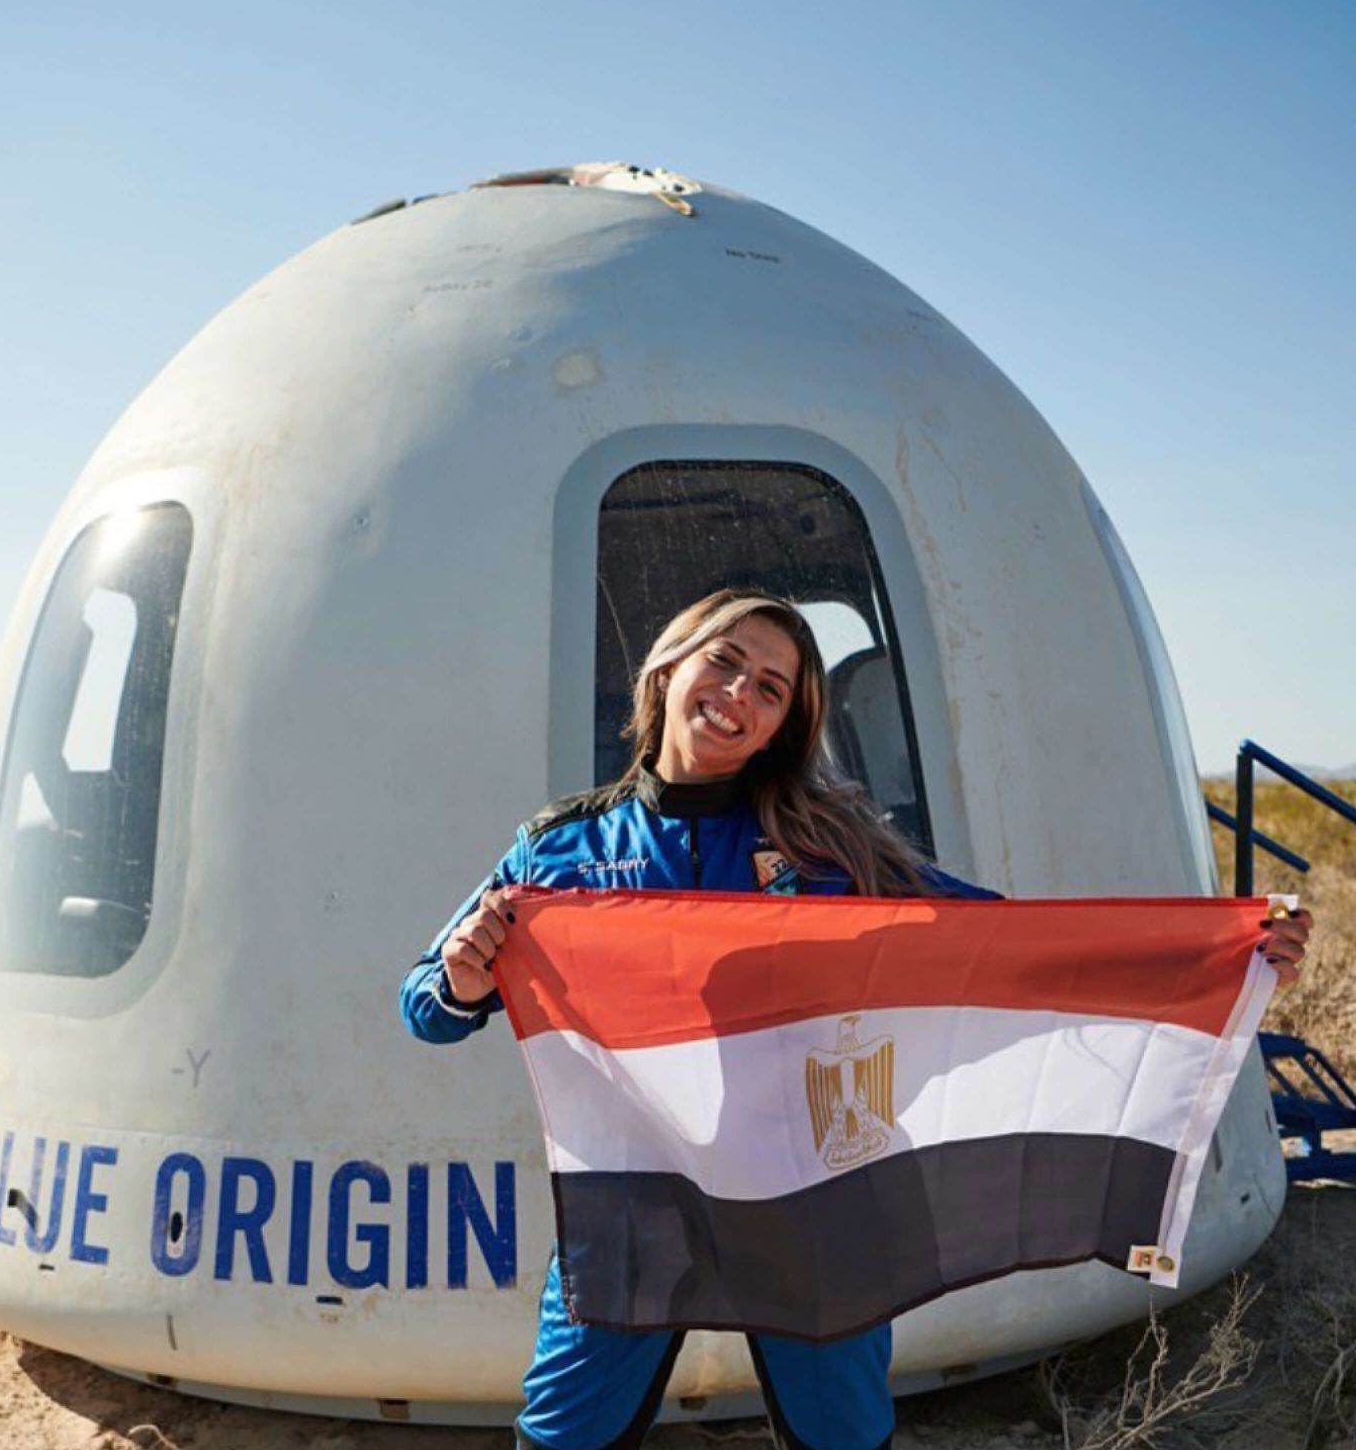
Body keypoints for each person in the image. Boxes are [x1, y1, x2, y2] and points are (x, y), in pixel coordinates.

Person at [399, 589, 1311, 1450]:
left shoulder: (825, 842)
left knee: (840, 1432)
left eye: (770, 690)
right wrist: (466, 974)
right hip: (640, 1206)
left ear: (783, 724)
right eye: (723, 663)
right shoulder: (561, 850)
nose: (738, 698)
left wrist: (1218, 950)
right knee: (565, 1431)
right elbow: (426, 1011)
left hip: (820, 1199)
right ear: (668, 670)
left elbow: (1000, 941)